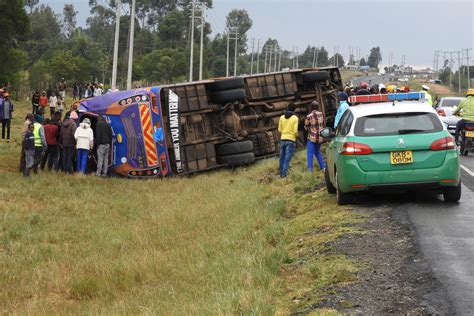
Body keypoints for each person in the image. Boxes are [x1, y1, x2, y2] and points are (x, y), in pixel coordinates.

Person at [278, 102, 299, 178]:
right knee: (287, 158)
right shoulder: (295, 118)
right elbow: (295, 131)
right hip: (290, 140)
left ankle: (280, 173)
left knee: (281, 158)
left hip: (282, 139)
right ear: (294, 110)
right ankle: (284, 175)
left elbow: (279, 130)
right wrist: (296, 136)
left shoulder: (281, 117)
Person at [305, 101, 326, 172]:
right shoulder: (321, 114)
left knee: (310, 153)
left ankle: (310, 170)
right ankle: (323, 167)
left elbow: (306, 126)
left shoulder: (309, 116)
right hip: (320, 137)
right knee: (317, 152)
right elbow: (323, 124)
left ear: (311, 107)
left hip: (312, 137)